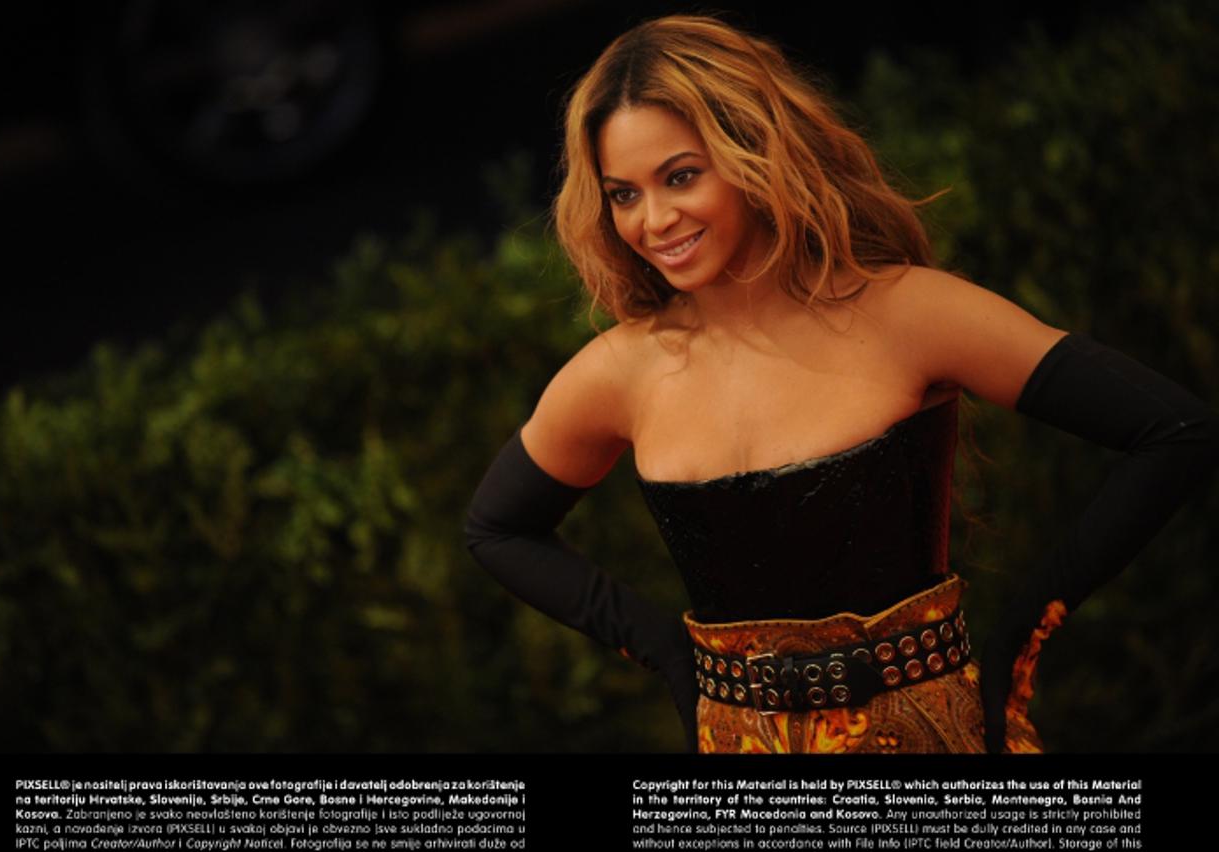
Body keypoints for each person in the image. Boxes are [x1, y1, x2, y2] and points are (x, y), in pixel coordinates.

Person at [463, 15, 1219, 753]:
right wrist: (667, 651)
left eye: (681, 176)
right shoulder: (619, 372)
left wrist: (1024, 628)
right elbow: (497, 527)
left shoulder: (909, 312)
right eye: (623, 193)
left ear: (753, 152)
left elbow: (1175, 432)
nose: (653, 219)